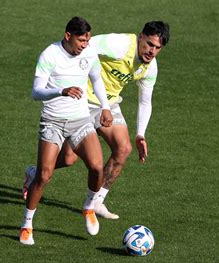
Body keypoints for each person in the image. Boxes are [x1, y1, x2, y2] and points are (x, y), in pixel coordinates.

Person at [23, 21, 170, 220]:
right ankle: (35, 173)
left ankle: (96, 202)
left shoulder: (149, 69)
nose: (152, 51)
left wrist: (140, 133)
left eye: (157, 48)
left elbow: (145, 102)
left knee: (124, 148)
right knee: (68, 159)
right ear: (141, 36)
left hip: (107, 106)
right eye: (150, 44)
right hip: (81, 103)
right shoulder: (119, 44)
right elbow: (85, 45)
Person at [19, 17, 113, 245]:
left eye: (88, 40)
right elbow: (36, 92)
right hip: (52, 121)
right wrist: (61, 91)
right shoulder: (49, 55)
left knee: (97, 166)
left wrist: (106, 107)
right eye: (81, 40)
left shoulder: (89, 54)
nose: (85, 44)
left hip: (80, 120)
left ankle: (89, 208)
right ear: (68, 35)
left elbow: (97, 79)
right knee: (44, 175)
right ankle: (27, 225)